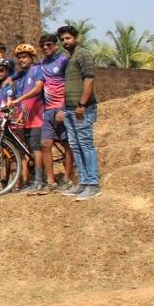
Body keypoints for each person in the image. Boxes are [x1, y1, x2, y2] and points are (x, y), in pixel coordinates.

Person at [58, 25, 101, 201]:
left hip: (82, 108)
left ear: (76, 37)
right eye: (62, 39)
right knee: (75, 146)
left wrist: (82, 104)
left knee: (85, 144)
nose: (64, 42)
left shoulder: (83, 54)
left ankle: (93, 184)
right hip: (70, 109)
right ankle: (83, 182)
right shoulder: (70, 58)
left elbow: (89, 80)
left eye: (67, 38)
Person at [38, 33, 76, 193]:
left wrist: (64, 109)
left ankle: (67, 177)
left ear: (56, 45)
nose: (46, 48)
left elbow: (70, 83)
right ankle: (51, 181)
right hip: (48, 110)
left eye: (49, 44)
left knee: (66, 143)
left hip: (61, 108)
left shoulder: (64, 61)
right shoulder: (42, 64)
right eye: (43, 46)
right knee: (45, 144)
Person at [7, 44, 46, 193]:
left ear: (31, 58)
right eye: (20, 58)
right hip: (28, 118)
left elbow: (37, 89)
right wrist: (21, 115)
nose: (21, 60)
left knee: (36, 148)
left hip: (39, 117)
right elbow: (25, 103)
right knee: (30, 148)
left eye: (24, 57)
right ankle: (34, 178)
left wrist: (18, 99)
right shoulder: (23, 77)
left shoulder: (37, 70)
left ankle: (39, 180)